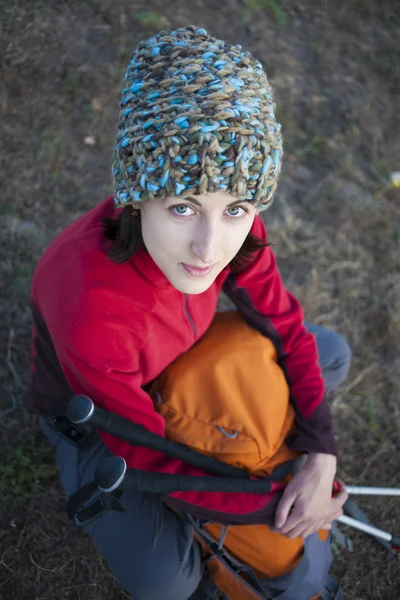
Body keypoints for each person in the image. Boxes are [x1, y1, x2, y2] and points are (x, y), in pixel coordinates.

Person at [28, 25, 351, 600]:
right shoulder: (89, 304)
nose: (210, 248)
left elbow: (289, 330)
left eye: (236, 208)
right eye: (182, 207)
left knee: (328, 352)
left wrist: (321, 454)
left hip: (183, 360)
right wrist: (280, 500)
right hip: (102, 423)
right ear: (136, 194)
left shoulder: (236, 230)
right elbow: (149, 454)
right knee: (166, 583)